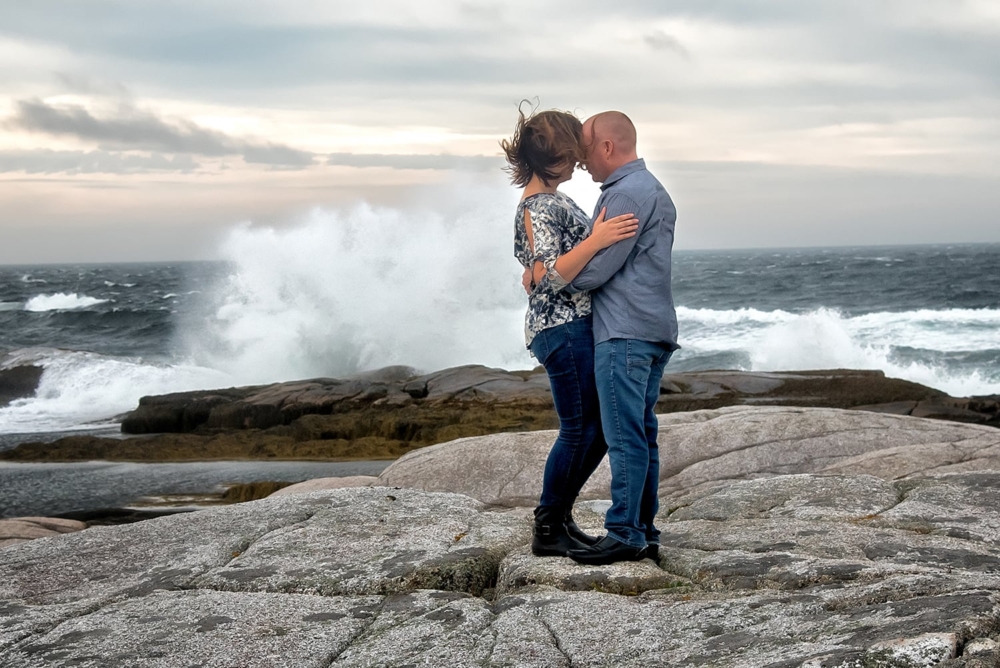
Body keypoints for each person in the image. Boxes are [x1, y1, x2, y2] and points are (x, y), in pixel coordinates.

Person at [502, 106, 640, 557]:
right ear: (552, 155)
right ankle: (548, 526)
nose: (580, 162)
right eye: (572, 154)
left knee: (595, 428)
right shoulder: (539, 206)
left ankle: (558, 518)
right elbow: (547, 276)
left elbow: (538, 269)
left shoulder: (545, 202)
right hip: (561, 329)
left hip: (569, 326)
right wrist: (597, 241)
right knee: (581, 429)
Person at [549, 111, 680, 566]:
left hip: (623, 331)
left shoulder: (623, 194)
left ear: (607, 147)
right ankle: (644, 529)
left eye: (585, 151)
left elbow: (594, 273)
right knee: (642, 433)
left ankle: (624, 532)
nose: (582, 162)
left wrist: (551, 272)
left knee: (624, 436)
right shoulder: (654, 189)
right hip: (655, 327)